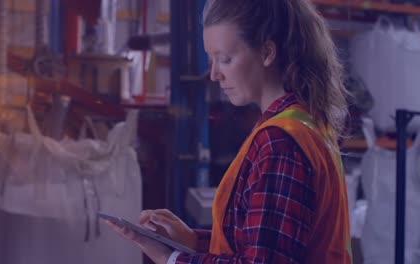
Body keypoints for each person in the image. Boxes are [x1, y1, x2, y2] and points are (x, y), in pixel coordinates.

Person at [105, 0, 352, 263]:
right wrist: (192, 240)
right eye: (211, 60)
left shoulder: (281, 142)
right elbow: (263, 242)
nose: (214, 74)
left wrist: (171, 259)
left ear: (268, 52)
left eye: (224, 59)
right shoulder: (303, 122)